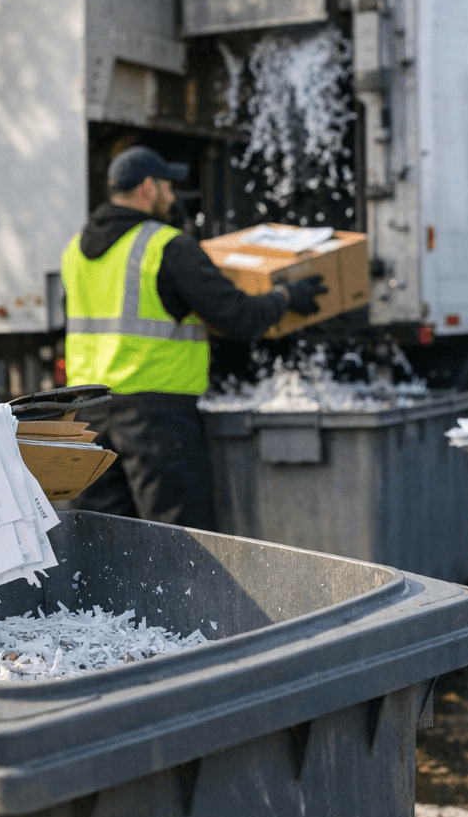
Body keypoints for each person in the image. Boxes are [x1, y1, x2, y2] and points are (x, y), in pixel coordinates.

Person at [61, 145, 327, 529]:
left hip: (87, 415)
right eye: (169, 187)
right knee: (176, 541)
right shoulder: (167, 245)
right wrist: (287, 297)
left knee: (103, 543)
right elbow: (239, 317)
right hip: (155, 417)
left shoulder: (75, 250)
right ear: (148, 189)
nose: (174, 197)